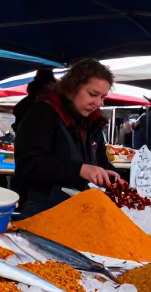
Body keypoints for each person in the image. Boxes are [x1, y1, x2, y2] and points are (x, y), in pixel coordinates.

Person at [14, 58, 121, 217]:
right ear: (71, 89)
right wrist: (79, 170)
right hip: (43, 212)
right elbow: (29, 165)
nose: (98, 103)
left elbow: (98, 160)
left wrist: (111, 175)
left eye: (103, 97)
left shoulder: (93, 122)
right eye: (93, 94)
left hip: (81, 211)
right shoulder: (41, 115)